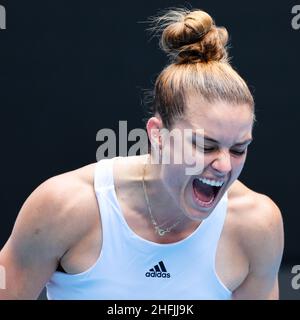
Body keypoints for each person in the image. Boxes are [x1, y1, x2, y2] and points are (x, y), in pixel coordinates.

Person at [0, 8, 283, 300]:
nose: (224, 165)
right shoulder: (63, 206)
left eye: (238, 149)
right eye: (205, 146)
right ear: (158, 135)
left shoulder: (257, 225)